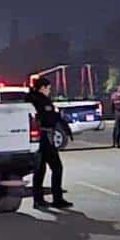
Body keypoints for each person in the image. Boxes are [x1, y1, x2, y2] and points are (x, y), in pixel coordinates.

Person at [28, 77, 72, 210]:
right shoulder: (39, 100)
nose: (49, 91)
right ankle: (57, 199)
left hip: (40, 138)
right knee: (56, 167)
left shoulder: (31, 98)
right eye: (48, 88)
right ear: (43, 87)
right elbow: (49, 117)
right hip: (44, 137)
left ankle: (38, 200)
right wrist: (57, 116)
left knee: (40, 169)